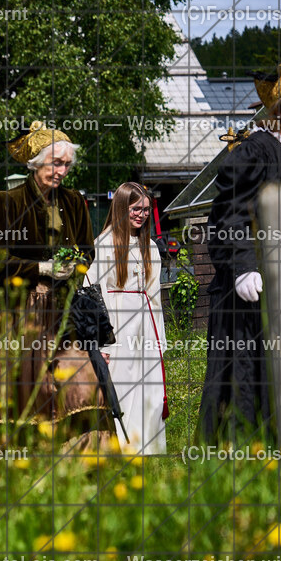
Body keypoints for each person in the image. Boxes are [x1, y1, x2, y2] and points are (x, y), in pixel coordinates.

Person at [0, 121, 109, 447]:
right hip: (20, 313)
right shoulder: (6, 202)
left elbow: (87, 251)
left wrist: (72, 263)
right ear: (36, 163)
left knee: (82, 383)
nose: (61, 170)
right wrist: (42, 267)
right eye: (55, 163)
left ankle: (84, 466)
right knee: (23, 392)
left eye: (66, 165)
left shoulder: (74, 202)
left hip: (63, 311)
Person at [199, 64, 281, 445]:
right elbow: (227, 214)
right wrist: (242, 268)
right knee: (245, 385)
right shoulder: (257, 148)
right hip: (249, 295)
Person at [84, 183, 168, 454]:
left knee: (149, 387)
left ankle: (148, 447)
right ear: (121, 208)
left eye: (145, 210)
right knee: (122, 386)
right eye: (135, 209)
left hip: (145, 324)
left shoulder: (149, 247)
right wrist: (101, 343)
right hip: (117, 324)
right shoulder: (103, 244)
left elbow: (154, 296)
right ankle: (122, 446)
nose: (142, 215)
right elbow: (93, 294)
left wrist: (160, 340)